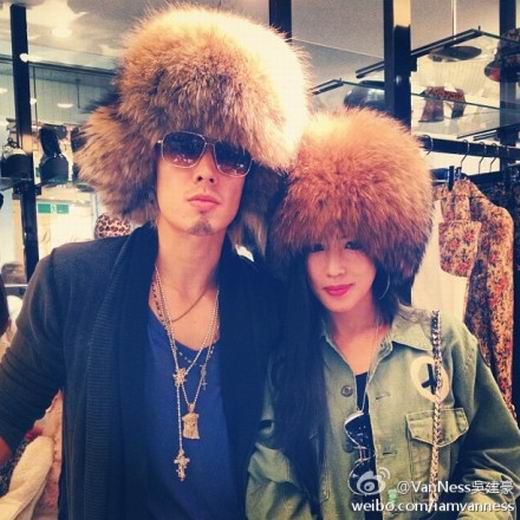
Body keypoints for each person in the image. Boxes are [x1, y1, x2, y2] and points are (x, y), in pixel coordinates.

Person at [0, 6, 309, 520]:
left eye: (231, 154)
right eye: (185, 147)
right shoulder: (72, 281)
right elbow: (9, 410)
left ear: (252, 175)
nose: (207, 171)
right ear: (150, 158)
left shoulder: (270, 304)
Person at [247, 109, 520, 519]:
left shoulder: (444, 343)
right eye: (317, 246)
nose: (334, 267)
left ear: (384, 242)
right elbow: (272, 491)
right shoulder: (286, 364)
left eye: (353, 244)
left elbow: (497, 459)